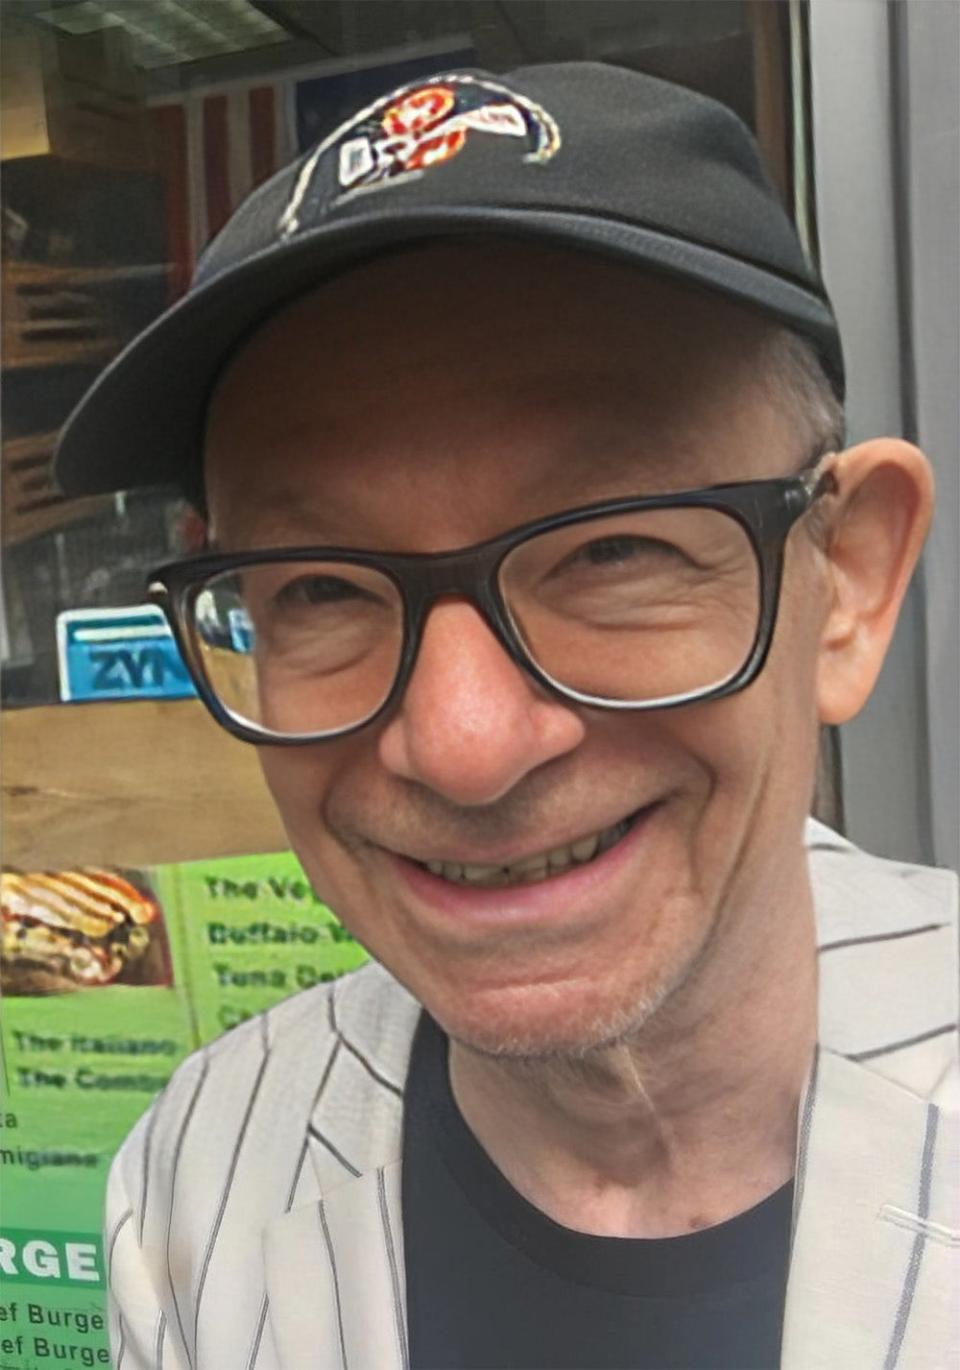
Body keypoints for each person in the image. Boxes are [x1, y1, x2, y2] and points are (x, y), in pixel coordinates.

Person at [55, 64, 957, 1370]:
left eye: (610, 551)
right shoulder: (197, 1181)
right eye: (319, 586)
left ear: (848, 586)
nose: (465, 744)